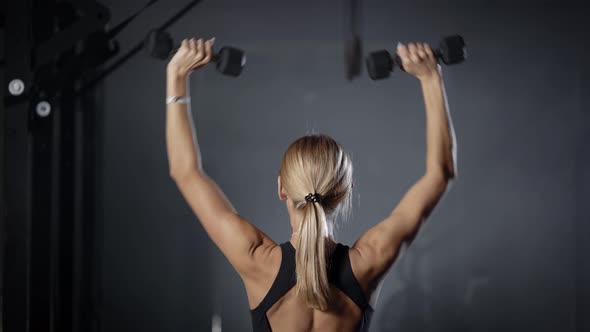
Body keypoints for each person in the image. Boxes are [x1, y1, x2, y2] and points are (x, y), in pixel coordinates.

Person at [165, 37, 457, 332]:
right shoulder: (370, 259)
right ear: (346, 191)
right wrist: (431, 77)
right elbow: (439, 174)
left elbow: (185, 171)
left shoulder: (256, 259)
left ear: (282, 189)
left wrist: (177, 75)